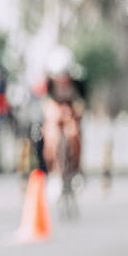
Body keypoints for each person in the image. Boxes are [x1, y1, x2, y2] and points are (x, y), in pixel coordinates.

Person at [41, 45, 86, 176]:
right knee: (51, 135)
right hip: (55, 109)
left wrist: (75, 112)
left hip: (70, 110)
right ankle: (53, 167)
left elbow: (81, 103)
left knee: (73, 133)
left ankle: (76, 168)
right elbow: (46, 103)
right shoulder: (49, 83)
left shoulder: (78, 83)